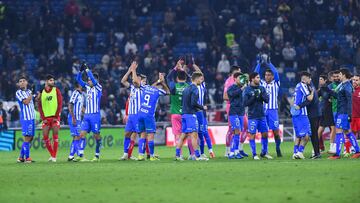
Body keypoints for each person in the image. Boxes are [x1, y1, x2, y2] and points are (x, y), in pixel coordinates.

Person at [135, 70, 170, 161]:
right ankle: (151, 156)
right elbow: (168, 92)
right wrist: (163, 83)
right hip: (149, 115)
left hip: (140, 113)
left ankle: (140, 155)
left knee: (142, 135)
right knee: (150, 135)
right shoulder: (158, 91)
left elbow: (151, 86)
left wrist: (159, 81)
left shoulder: (145, 88)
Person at [175, 72, 208, 161]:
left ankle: (177, 155)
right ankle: (197, 156)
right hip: (191, 115)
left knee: (183, 136)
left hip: (184, 114)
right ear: (196, 79)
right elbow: (193, 103)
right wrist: (202, 107)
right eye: (200, 79)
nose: (201, 81)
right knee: (194, 135)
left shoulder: (186, 88)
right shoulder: (195, 89)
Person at [254, 56, 282, 157]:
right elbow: (255, 75)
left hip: (273, 110)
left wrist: (270, 64)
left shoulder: (276, 83)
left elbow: (277, 73)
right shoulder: (261, 84)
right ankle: (264, 151)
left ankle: (278, 148)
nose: (267, 76)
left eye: (269, 75)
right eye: (266, 75)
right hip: (263, 110)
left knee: (276, 132)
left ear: (272, 76)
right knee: (264, 132)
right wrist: (259, 64)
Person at [329, 69, 360, 159]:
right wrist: (328, 90)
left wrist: (349, 114)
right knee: (347, 132)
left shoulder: (347, 86)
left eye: (340, 74)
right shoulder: (343, 85)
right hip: (342, 112)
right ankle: (358, 151)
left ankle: (337, 154)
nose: (338, 76)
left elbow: (349, 101)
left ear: (344, 75)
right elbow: (339, 97)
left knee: (338, 131)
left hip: (344, 113)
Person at [166, 59, 195, 158]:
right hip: (186, 114)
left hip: (175, 114)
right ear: (185, 78)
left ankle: (180, 155)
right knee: (190, 134)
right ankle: (192, 154)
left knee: (178, 135)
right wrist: (183, 70)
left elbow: (168, 78)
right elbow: (192, 80)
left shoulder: (173, 87)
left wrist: (176, 68)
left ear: (177, 79)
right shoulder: (189, 86)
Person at [76, 63, 102, 162]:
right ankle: (81, 155)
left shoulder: (98, 87)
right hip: (87, 116)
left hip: (95, 116)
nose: (88, 81)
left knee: (96, 136)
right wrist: (80, 71)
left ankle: (97, 155)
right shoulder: (87, 87)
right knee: (82, 134)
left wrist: (87, 70)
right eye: (88, 80)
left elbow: (92, 77)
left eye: (90, 80)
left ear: (95, 80)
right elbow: (78, 80)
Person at [243, 72, 272, 160]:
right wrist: (254, 97)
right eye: (257, 77)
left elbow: (267, 100)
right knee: (252, 134)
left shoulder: (262, 88)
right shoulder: (247, 90)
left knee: (265, 134)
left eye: (259, 77)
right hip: (252, 116)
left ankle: (264, 152)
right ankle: (254, 154)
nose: (259, 79)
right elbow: (245, 103)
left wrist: (261, 95)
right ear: (252, 79)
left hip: (261, 115)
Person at [119, 61, 144, 160]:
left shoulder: (142, 87)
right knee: (127, 134)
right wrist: (129, 70)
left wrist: (134, 70)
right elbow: (123, 81)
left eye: (138, 78)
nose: (135, 79)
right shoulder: (132, 88)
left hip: (138, 115)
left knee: (141, 134)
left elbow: (136, 82)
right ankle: (126, 154)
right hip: (131, 116)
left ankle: (142, 154)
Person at [38, 74, 63, 162]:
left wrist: (56, 116)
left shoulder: (56, 90)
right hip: (46, 118)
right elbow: (39, 106)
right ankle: (52, 155)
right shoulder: (42, 93)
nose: (53, 82)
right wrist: (43, 117)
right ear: (47, 82)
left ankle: (54, 156)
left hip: (55, 117)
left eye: (53, 80)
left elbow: (60, 104)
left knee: (55, 135)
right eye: (51, 80)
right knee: (45, 137)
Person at [193, 63, 215, 159]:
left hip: (201, 112)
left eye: (202, 78)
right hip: (194, 112)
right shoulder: (191, 86)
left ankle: (209, 151)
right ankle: (198, 153)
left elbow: (200, 73)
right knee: (195, 134)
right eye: (199, 78)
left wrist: (194, 65)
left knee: (203, 132)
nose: (201, 79)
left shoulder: (202, 86)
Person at [291, 72, 314, 159]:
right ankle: (300, 152)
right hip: (302, 114)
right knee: (307, 135)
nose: (310, 80)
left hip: (295, 113)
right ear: (305, 78)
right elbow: (310, 98)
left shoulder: (297, 85)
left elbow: (293, 100)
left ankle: (295, 153)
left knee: (298, 135)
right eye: (309, 78)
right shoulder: (303, 86)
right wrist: (312, 92)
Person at [15, 76, 36, 163]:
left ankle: (20, 157)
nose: (22, 82)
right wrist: (32, 94)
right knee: (27, 137)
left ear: (26, 82)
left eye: (24, 81)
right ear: (18, 84)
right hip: (26, 118)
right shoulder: (18, 93)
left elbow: (34, 100)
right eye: (20, 81)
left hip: (32, 117)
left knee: (30, 138)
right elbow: (26, 102)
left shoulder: (29, 91)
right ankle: (27, 158)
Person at [223, 65, 242, 157]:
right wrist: (234, 98)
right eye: (239, 72)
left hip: (240, 109)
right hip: (232, 107)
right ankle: (228, 151)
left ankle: (238, 149)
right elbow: (225, 96)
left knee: (242, 128)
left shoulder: (241, 82)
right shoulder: (229, 81)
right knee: (232, 129)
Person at [227, 72, 247, 159]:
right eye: (239, 78)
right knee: (236, 130)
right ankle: (232, 152)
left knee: (238, 132)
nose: (241, 80)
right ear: (235, 79)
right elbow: (232, 94)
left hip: (241, 112)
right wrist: (242, 89)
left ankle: (234, 152)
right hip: (233, 112)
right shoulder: (231, 88)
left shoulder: (242, 88)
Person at [317, 75, 335, 153]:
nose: (319, 81)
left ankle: (317, 148)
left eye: (321, 79)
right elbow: (315, 97)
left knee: (322, 129)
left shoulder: (327, 88)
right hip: (325, 112)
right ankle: (317, 148)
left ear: (325, 80)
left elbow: (333, 97)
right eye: (319, 79)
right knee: (331, 129)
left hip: (327, 111)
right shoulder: (322, 89)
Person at [67, 82, 84, 161]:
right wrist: (73, 118)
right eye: (82, 84)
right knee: (77, 136)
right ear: (79, 85)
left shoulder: (81, 94)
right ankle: (80, 155)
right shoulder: (75, 93)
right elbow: (70, 105)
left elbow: (81, 108)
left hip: (78, 118)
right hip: (73, 118)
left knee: (76, 137)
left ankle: (71, 156)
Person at [306, 79, 321, 159]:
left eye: (305, 78)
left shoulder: (310, 87)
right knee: (314, 134)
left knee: (314, 134)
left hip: (313, 114)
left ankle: (317, 153)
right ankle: (317, 152)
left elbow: (310, 101)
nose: (303, 80)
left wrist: (300, 105)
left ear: (310, 78)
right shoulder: (312, 86)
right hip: (316, 114)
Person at [327, 70, 341, 153]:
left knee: (345, 129)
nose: (336, 78)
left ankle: (348, 149)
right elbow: (325, 97)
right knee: (334, 129)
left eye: (337, 76)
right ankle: (333, 147)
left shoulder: (342, 85)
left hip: (343, 110)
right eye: (334, 76)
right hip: (333, 110)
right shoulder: (330, 86)